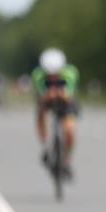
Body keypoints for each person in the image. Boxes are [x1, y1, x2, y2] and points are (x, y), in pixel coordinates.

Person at [31, 48, 80, 178]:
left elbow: (69, 96)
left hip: (66, 101)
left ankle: (67, 159)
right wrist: (48, 96)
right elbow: (41, 96)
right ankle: (46, 145)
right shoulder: (38, 75)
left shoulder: (70, 73)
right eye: (49, 75)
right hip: (46, 99)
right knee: (40, 112)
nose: (52, 77)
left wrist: (60, 94)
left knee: (69, 129)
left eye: (56, 74)